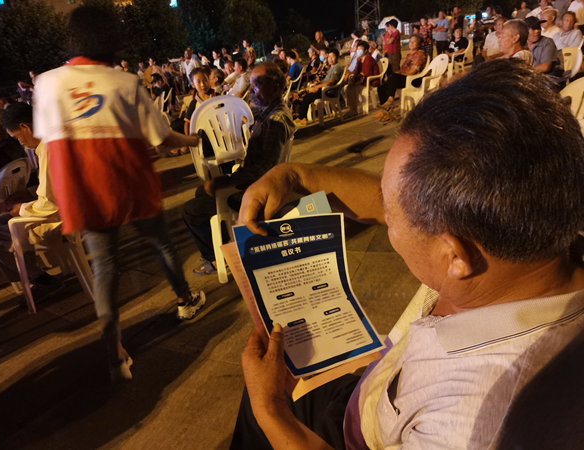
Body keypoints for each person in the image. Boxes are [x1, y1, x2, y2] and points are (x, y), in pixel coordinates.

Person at [230, 58, 584, 450]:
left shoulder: (468, 423)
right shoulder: (531, 239)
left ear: (455, 256)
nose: (382, 215)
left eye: (392, 217)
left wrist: (270, 408)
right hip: (375, 391)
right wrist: (295, 176)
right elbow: (385, 203)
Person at [33, 6, 206, 382]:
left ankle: (114, 351)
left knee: (105, 269)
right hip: (132, 188)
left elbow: (47, 141)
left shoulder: (46, 84)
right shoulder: (125, 82)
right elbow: (162, 138)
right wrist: (194, 140)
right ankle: (185, 299)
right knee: (162, 246)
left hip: (85, 195)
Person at [182, 62, 295, 276]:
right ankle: (226, 244)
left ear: (274, 88)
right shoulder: (269, 112)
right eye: (250, 84)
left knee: (191, 210)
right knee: (201, 192)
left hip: (254, 191)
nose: (250, 90)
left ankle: (216, 259)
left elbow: (265, 168)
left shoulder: (276, 121)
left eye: (256, 85)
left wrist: (227, 181)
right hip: (254, 183)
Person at [0, 103, 63, 301]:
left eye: (18, 137)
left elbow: (49, 205)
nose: (20, 143)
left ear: (25, 127)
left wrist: (22, 209)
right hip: (64, 210)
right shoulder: (49, 145)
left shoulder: (47, 150)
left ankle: (42, 280)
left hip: (60, 220)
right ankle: (37, 276)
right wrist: (28, 195)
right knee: (3, 221)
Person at [294, 49, 343, 126]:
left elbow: (331, 82)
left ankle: (302, 118)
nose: (330, 59)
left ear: (336, 57)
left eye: (332, 57)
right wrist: (316, 85)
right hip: (325, 89)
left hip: (329, 91)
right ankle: (301, 118)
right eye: (329, 57)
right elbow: (326, 80)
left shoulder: (337, 67)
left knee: (307, 97)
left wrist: (317, 87)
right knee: (306, 95)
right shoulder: (332, 67)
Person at [377, 34, 426, 110]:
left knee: (394, 77)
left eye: (414, 42)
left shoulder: (420, 54)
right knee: (381, 88)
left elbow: (414, 70)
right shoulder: (409, 55)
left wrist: (401, 76)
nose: (411, 43)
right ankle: (387, 110)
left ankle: (390, 99)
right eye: (410, 41)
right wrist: (396, 75)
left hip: (414, 79)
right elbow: (402, 70)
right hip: (405, 78)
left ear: (419, 44)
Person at [344, 40, 380, 119]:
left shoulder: (368, 58)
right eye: (358, 49)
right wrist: (357, 61)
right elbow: (356, 72)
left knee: (352, 88)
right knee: (348, 88)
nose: (358, 51)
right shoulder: (360, 59)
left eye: (360, 49)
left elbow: (366, 74)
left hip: (370, 81)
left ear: (366, 50)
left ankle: (354, 110)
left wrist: (357, 80)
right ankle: (352, 108)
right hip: (362, 80)